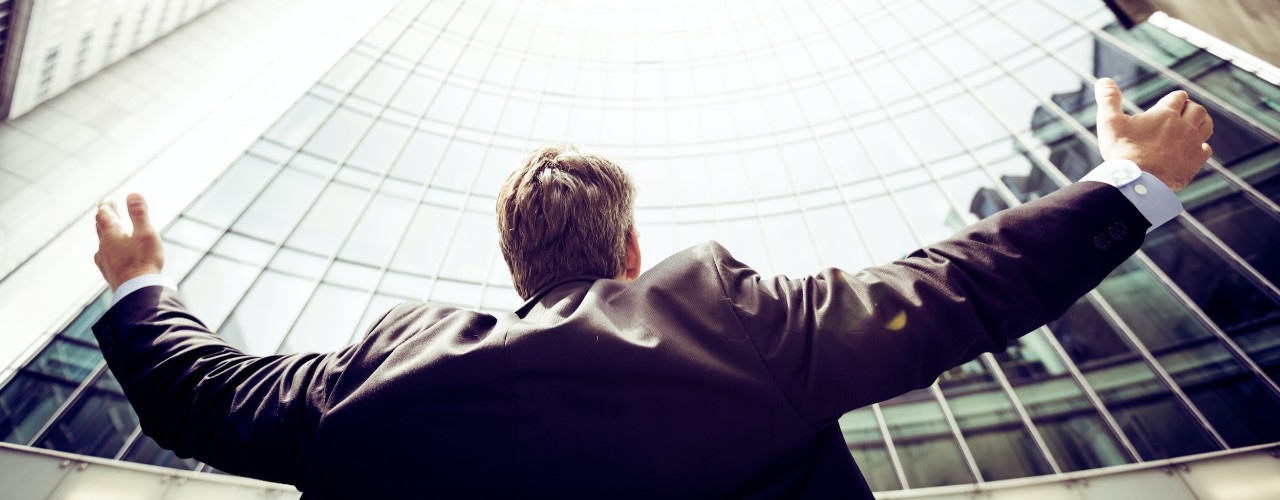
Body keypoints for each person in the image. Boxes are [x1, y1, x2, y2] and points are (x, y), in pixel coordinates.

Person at [91, 78, 1212, 498]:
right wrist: (1128, 182)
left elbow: (200, 394)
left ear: (516, 270)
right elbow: (957, 286)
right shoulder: (718, 315)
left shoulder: (377, 377)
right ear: (628, 252)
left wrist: (141, 285)